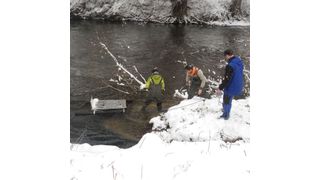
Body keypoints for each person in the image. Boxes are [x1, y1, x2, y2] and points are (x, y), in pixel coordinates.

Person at [216, 49, 244, 120]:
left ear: (227, 55)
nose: (225, 58)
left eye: (225, 56)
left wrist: (220, 87)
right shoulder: (238, 60)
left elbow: (226, 80)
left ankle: (226, 115)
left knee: (226, 101)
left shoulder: (230, 66)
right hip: (239, 85)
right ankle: (226, 111)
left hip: (231, 87)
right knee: (229, 100)